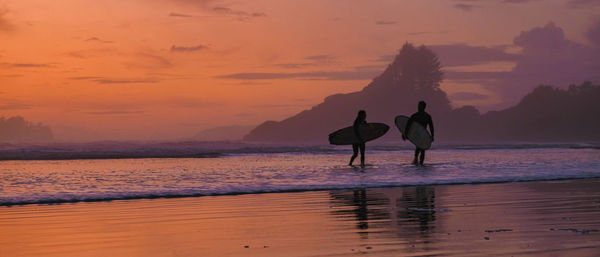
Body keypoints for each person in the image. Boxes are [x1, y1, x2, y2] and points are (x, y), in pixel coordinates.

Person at [403, 101, 434, 165]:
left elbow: (431, 127)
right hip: (416, 135)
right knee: (419, 148)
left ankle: (420, 163)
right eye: (418, 106)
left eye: (420, 106)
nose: (418, 107)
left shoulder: (427, 116)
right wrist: (405, 134)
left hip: (423, 135)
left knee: (422, 149)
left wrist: (432, 136)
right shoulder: (414, 116)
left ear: (424, 107)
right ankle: (417, 161)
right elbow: (408, 125)